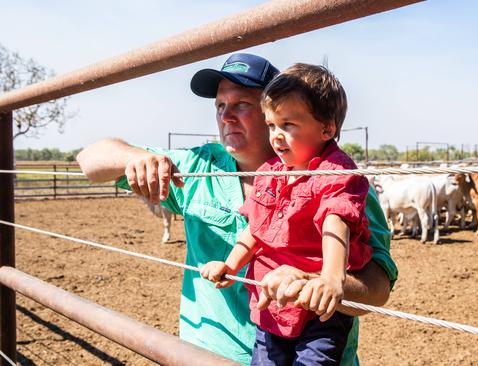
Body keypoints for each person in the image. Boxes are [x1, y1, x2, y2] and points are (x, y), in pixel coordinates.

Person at [76, 53, 398, 365]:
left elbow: (378, 286)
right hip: (208, 355)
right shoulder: (197, 166)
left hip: (314, 348)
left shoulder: (337, 178)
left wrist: (315, 281)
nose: (225, 116)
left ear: (275, 105)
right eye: (220, 105)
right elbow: (90, 159)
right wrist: (135, 157)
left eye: (242, 104)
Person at [201, 63, 371, 365]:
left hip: (316, 306)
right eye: (271, 125)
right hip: (271, 303)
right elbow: (256, 228)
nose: (276, 136)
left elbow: (336, 220)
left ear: (327, 128)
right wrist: (230, 264)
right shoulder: (270, 173)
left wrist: (331, 280)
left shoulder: (336, 171)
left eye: (288, 125)